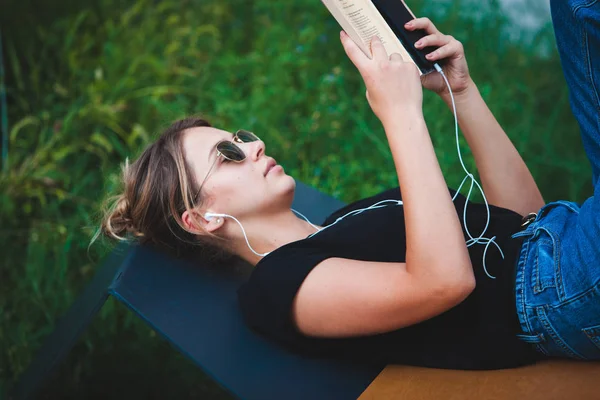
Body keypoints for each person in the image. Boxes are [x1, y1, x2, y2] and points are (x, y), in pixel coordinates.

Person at [98, 7, 599, 370]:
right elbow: (446, 283)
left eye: (241, 138)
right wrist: (399, 113)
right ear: (200, 218)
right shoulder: (276, 290)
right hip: (563, 295)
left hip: (565, 244)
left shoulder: (347, 220)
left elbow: (526, 220)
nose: (252, 147)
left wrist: (460, 93)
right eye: (226, 155)